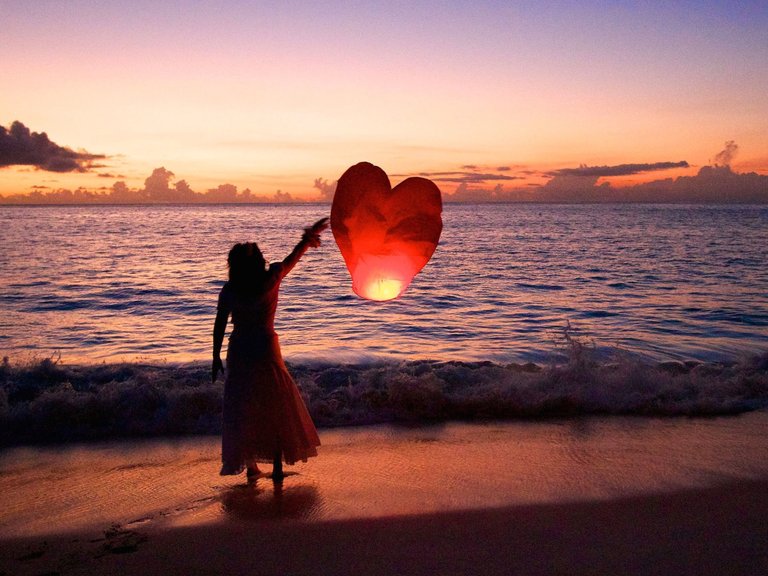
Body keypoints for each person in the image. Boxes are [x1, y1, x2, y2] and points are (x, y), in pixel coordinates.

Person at [212, 217, 328, 481]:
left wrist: (215, 355)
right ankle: (276, 466)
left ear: (234, 265)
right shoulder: (272, 277)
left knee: (243, 405)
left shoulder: (229, 290)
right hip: (265, 346)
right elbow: (293, 258)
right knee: (275, 403)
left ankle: (251, 466)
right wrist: (307, 238)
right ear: (259, 260)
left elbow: (219, 324)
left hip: (240, 348)